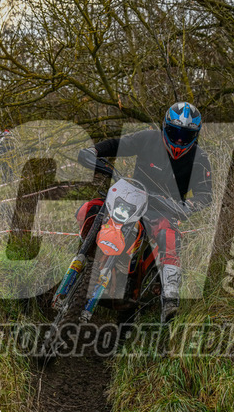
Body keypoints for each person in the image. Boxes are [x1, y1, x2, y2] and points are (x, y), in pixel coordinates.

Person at [76, 102, 212, 321]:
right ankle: (86, 256)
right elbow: (118, 144)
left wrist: (187, 206)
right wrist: (94, 151)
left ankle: (170, 299)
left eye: (185, 136)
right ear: (165, 127)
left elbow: (205, 194)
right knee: (90, 209)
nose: (179, 140)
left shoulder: (200, 158)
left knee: (169, 235)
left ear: (195, 136)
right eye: (175, 133)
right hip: (131, 198)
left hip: (164, 210)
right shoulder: (148, 138)